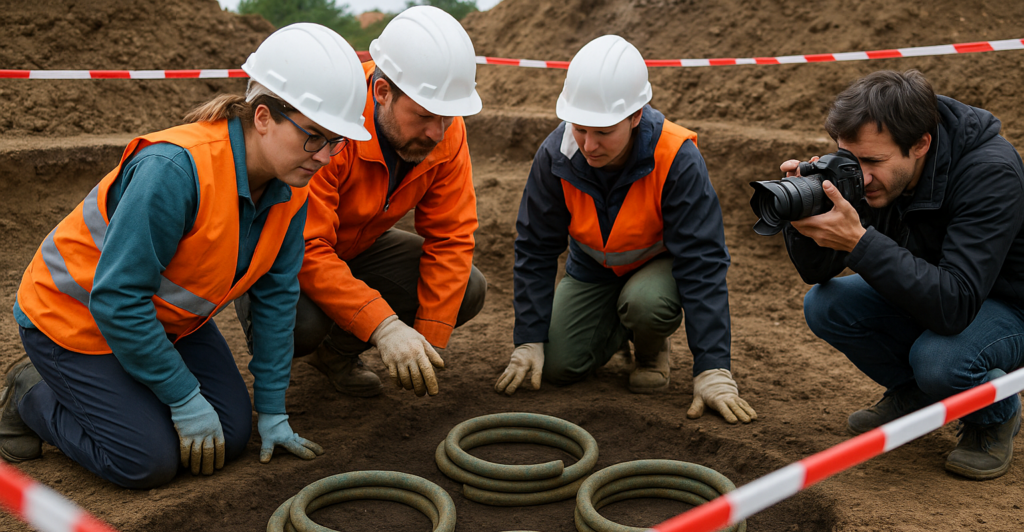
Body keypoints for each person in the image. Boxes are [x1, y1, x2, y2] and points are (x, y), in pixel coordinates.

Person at [0, 24, 371, 488]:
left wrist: (273, 410)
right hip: (72, 318)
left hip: (162, 321)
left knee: (230, 437)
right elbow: (117, 298)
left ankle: (130, 392)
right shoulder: (174, 170)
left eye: (336, 141)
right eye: (314, 136)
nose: (325, 157)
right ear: (262, 117)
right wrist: (183, 397)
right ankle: (30, 393)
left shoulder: (292, 187)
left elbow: (276, 300)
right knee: (147, 461)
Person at [495, 35, 756, 425]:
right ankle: (617, 326)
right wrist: (529, 339)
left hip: (657, 266)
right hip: (593, 267)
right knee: (557, 367)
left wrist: (713, 369)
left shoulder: (677, 157)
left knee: (645, 303)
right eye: (580, 129)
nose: (589, 145)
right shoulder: (556, 153)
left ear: (636, 116)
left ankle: (650, 347)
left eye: (603, 132)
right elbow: (535, 247)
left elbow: (702, 263)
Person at [782, 69, 1024, 480]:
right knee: (826, 305)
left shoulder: (990, 173)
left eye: (873, 162)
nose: (861, 176)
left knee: (939, 360)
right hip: (938, 287)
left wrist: (859, 242)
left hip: (1008, 304)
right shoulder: (873, 170)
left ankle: (995, 414)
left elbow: (954, 305)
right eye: (850, 158)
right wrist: (804, 214)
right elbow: (815, 272)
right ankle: (916, 394)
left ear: (920, 144)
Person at [241, 5, 486, 399]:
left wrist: (426, 339)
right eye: (425, 116)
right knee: (301, 326)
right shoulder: (332, 122)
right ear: (382, 92)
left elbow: (452, 237)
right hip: (285, 250)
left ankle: (334, 355)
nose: (438, 133)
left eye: (448, 117)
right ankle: (300, 351)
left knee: (467, 289)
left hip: (359, 245)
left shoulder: (445, 130)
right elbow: (307, 245)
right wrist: (384, 326)